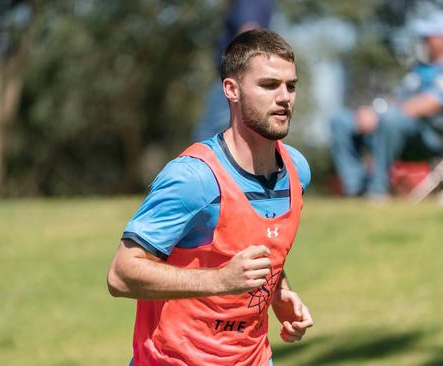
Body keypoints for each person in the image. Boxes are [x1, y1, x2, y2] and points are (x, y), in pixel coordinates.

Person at [108, 29, 313, 366]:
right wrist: (219, 280)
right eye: (268, 85)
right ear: (231, 90)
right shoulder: (194, 178)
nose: (284, 97)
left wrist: (279, 294)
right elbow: (121, 274)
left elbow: (260, 247)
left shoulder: (296, 171)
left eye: (290, 86)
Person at [330, 9, 443, 199]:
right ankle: (356, 188)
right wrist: (372, 112)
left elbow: (432, 103)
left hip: (432, 137)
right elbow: (395, 98)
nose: (425, 40)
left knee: (392, 119)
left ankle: (377, 191)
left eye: (430, 35)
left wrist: (382, 115)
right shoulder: (419, 69)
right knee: (341, 121)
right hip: (394, 127)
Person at [192, 0, 275, 142]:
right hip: (237, 79)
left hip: (235, 80)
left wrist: (244, 79)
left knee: (207, 138)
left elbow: (248, 33)